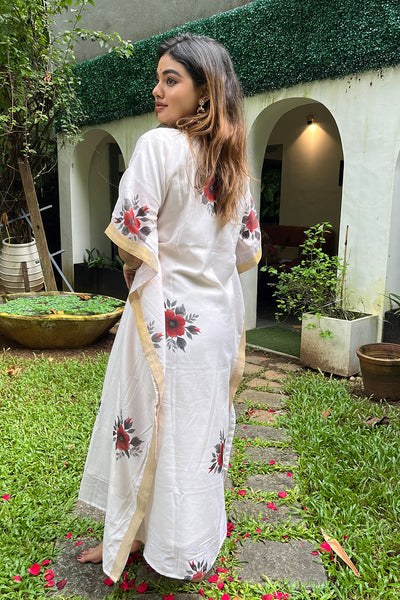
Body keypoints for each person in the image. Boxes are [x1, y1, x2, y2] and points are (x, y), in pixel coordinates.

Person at [77, 33, 261, 582]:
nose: (157, 90)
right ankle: (188, 547)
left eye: (171, 80)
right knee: (196, 434)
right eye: (158, 79)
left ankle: (132, 537)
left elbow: (130, 240)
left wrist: (135, 269)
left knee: (147, 425)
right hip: (214, 329)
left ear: (205, 92)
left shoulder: (158, 146)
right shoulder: (235, 167)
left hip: (164, 324)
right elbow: (245, 251)